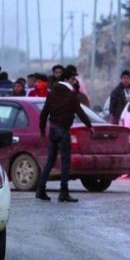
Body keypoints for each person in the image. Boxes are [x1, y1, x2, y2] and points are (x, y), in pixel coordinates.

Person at [37, 68, 94, 203]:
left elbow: (44, 112)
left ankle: (41, 189)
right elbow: (80, 112)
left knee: (50, 161)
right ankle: (63, 192)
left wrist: (42, 130)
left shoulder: (52, 93)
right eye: (73, 79)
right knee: (65, 162)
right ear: (68, 79)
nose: (75, 81)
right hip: (63, 131)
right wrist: (89, 126)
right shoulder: (71, 95)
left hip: (52, 130)